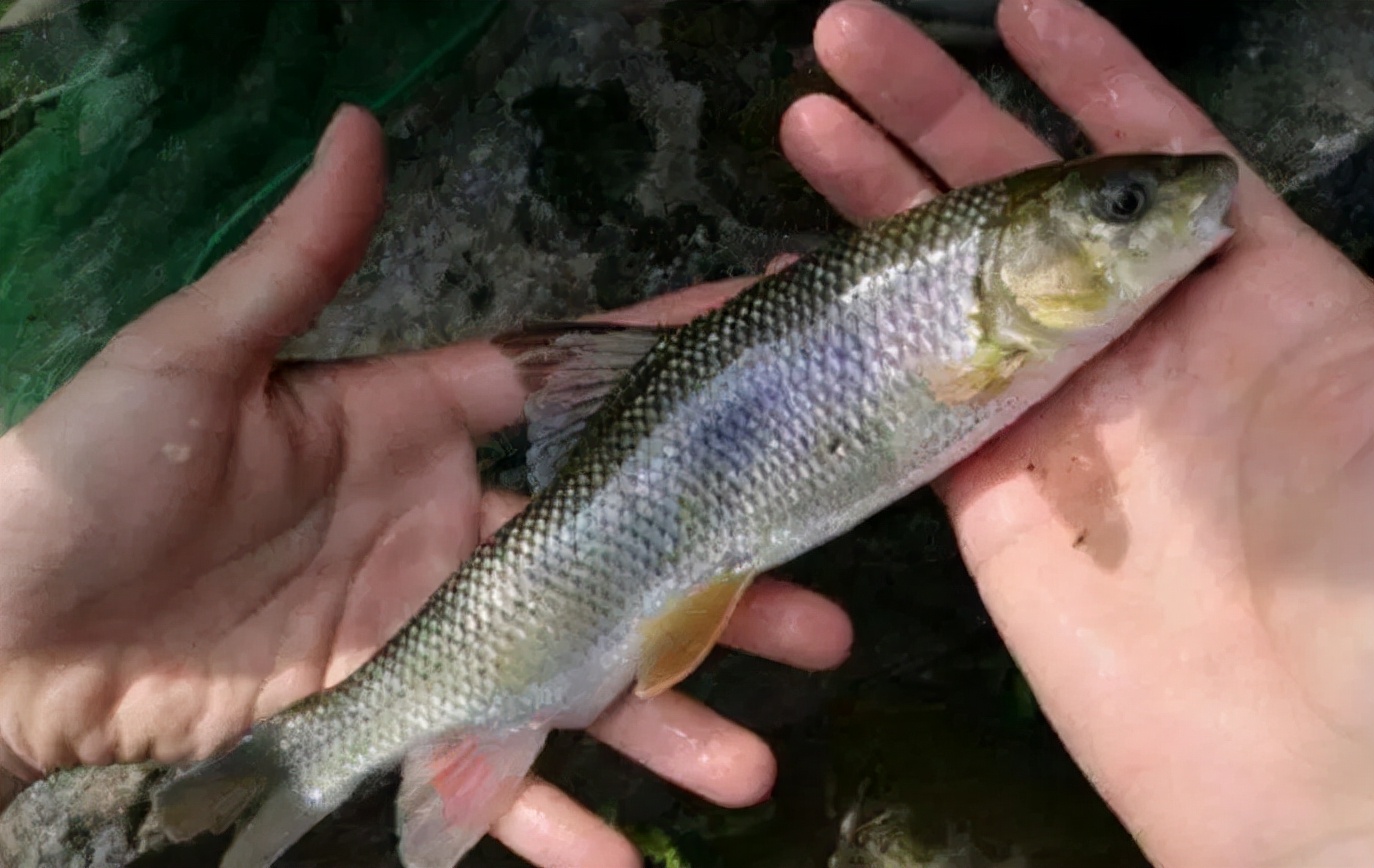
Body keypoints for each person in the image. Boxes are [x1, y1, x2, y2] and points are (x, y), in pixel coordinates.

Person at [1, 0, 1371, 864]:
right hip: (590, 553)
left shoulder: (1017, 324)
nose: (1168, 204)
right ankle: (331, 743)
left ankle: (354, 739)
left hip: (609, 536)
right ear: (1013, 274)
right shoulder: (992, 328)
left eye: (1119, 207)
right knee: (535, 661)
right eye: (1121, 211)